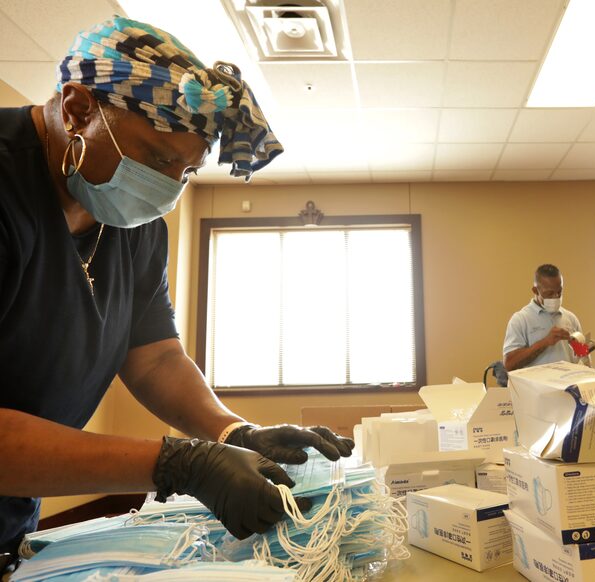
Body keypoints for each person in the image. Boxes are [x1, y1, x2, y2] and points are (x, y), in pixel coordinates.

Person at [0, 16, 355, 560]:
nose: (166, 188)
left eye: (186, 173)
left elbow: (155, 358)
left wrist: (232, 432)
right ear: (76, 110)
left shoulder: (133, 228)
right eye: (159, 158)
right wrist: (176, 462)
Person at [503, 264, 584, 371]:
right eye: (549, 293)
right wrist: (545, 342)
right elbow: (509, 364)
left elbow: (581, 355)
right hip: (537, 387)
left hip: (567, 385)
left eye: (559, 292)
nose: (556, 297)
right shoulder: (520, 320)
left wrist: (582, 347)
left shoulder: (571, 318)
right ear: (535, 291)